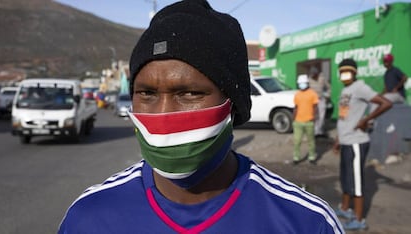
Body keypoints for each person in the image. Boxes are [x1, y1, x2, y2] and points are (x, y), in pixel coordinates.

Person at [59, 1, 343, 233]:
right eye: (146, 93)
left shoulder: (305, 222)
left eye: (190, 93)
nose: (163, 114)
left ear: (233, 104)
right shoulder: (89, 218)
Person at [332, 58, 392, 231]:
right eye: (342, 71)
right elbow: (344, 117)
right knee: (345, 177)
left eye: (348, 71)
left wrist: (366, 120)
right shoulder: (346, 90)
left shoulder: (360, 87)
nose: (344, 75)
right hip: (346, 141)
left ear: (354, 72)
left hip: (357, 143)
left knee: (356, 182)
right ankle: (345, 209)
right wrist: (338, 139)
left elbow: (385, 103)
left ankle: (359, 219)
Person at [293, 74, 319, 164]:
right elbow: (296, 107)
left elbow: (315, 107)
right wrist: (294, 119)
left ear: (307, 83)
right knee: (297, 141)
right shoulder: (297, 94)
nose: (302, 85)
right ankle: (296, 157)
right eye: (300, 83)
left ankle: (312, 157)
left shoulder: (313, 94)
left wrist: (314, 118)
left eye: (303, 83)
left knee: (311, 141)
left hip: (309, 121)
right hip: (298, 122)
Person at [309, 66, 331, 137]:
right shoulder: (309, 80)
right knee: (315, 116)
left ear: (316, 73)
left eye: (313, 74)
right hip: (312, 101)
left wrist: (327, 96)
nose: (312, 75)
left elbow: (328, 87)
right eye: (311, 74)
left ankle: (320, 131)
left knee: (321, 116)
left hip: (321, 99)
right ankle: (315, 132)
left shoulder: (322, 78)